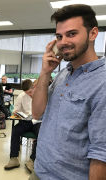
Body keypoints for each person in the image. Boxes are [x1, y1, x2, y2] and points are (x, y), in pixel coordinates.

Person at [32, 4, 106, 180]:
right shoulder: (64, 72)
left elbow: (101, 153)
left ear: (93, 33)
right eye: (59, 36)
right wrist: (45, 73)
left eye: (71, 34)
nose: (63, 42)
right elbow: (37, 112)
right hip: (40, 171)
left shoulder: (102, 82)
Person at [4, 79, 40, 173]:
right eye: (27, 93)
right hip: (26, 121)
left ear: (33, 87)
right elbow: (16, 110)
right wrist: (16, 112)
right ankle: (14, 158)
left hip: (38, 121)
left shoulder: (41, 94)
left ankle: (32, 160)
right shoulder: (21, 96)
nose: (30, 94)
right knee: (15, 130)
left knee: (41, 134)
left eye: (30, 92)